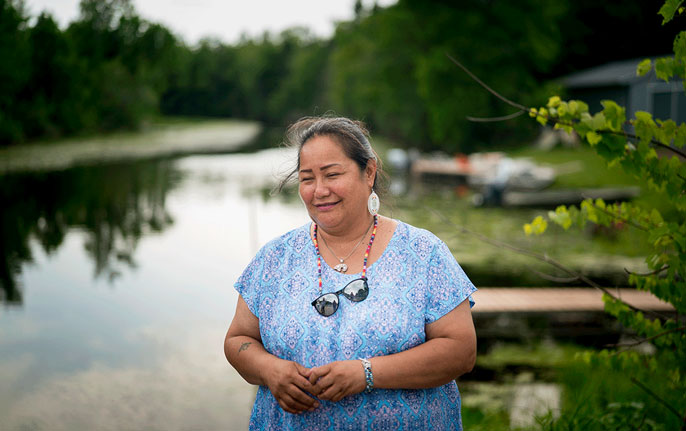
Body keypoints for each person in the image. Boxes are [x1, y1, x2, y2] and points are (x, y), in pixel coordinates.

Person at [224, 116, 477, 430]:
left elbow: (461, 351)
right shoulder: (274, 258)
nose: (319, 190)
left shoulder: (424, 253)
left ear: (368, 172)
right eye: (307, 178)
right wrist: (269, 369)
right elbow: (238, 339)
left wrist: (366, 373)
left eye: (332, 174)